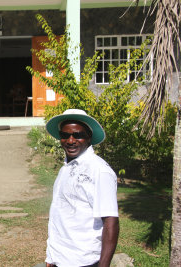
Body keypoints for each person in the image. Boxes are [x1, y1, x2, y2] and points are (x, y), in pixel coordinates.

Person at [44, 109, 119, 267]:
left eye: (78, 135)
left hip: (83, 260)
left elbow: (110, 222)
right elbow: (60, 215)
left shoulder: (99, 171)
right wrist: (51, 256)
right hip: (60, 258)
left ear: (88, 137)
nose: (70, 140)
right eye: (65, 135)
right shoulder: (66, 167)